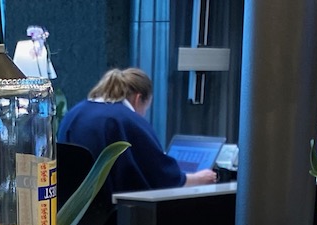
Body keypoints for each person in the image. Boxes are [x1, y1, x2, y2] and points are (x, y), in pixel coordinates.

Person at [58, 68, 218, 195]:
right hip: (113, 219)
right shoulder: (126, 119)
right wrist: (198, 178)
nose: (143, 114)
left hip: (72, 213)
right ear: (138, 98)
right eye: (145, 107)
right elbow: (160, 177)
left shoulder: (76, 111)